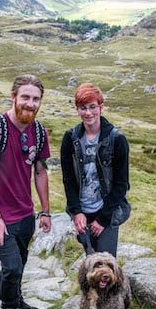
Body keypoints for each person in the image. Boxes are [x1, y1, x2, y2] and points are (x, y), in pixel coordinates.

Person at [0, 74, 52, 309]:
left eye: (36, 99)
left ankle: (16, 298)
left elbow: (40, 172)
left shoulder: (39, 132)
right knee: (12, 267)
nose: (30, 103)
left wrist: (45, 211)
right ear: (14, 96)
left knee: (22, 260)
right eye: (26, 97)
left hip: (25, 214)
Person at [61, 83, 130, 257]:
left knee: (106, 265)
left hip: (106, 212)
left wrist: (103, 219)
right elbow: (68, 180)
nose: (88, 113)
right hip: (83, 213)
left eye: (93, 107)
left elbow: (121, 185)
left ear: (101, 107)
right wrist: (76, 212)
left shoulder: (117, 139)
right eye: (83, 108)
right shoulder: (70, 138)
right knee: (91, 266)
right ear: (77, 109)